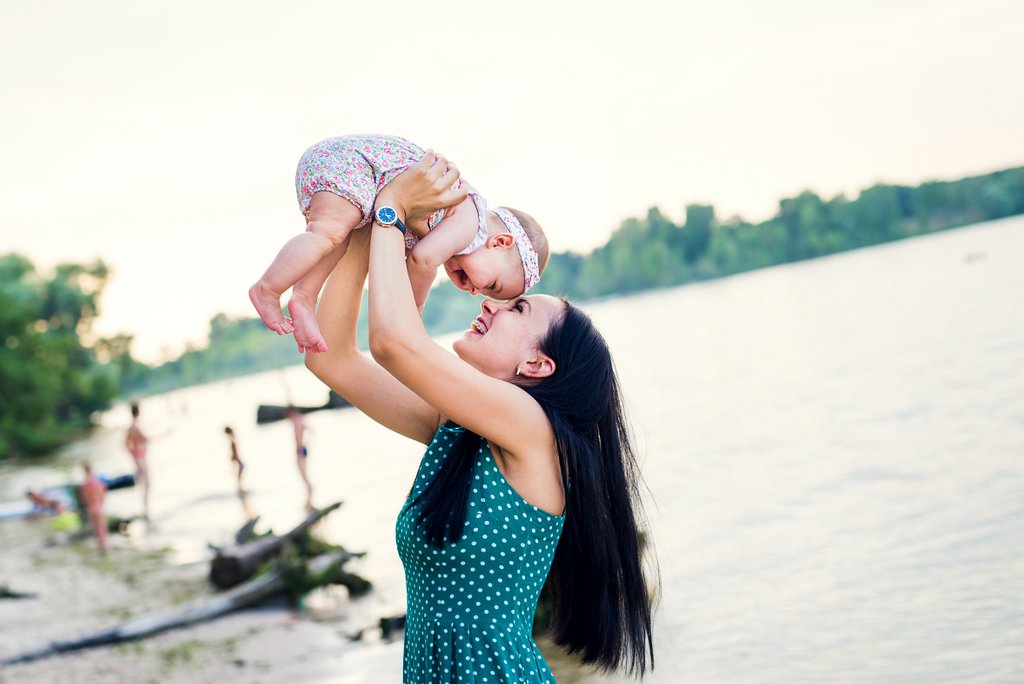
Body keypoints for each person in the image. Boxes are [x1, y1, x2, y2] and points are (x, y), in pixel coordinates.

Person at [305, 152, 654, 681]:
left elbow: (394, 343)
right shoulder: (457, 432)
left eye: (517, 309)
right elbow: (329, 356)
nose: (491, 303)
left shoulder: (532, 432)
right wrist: (361, 222)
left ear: (537, 364)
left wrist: (392, 210)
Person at [249, 134, 550, 354]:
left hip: (357, 176)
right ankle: (267, 288)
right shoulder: (469, 219)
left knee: (333, 241)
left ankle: (303, 297)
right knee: (327, 234)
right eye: (492, 285)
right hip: (354, 165)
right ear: (499, 242)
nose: (475, 291)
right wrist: (413, 315)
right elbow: (422, 261)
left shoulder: (449, 222)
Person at [284, 407, 314, 507]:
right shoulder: (301, 420)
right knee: (304, 472)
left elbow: (298, 437)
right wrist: (307, 443)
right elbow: (311, 431)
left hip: (300, 449)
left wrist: (301, 446)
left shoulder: (296, 421)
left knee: (303, 473)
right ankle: (309, 492)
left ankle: (309, 491)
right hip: (303, 448)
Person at [125, 402, 150, 520]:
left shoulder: (132, 426)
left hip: (139, 458)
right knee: (146, 484)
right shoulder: (135, 426)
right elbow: (145, 439)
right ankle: (145, 510)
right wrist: (136, 456)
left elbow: (126, 444)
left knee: (144, 484)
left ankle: (145, 509)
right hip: (141, 459)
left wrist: (133, 455)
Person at [79, 462, 108, 554]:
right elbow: (103, 495)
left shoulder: (84, 485)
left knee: (95, 527)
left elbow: (83, 500)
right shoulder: (99, 482)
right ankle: (104, 546)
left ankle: (99, 546)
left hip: (90, 508)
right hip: (99, 506)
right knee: (102, 527)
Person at [224, 426, 246, 494]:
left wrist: (234, 458)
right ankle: (240, 489)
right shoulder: (233, 439)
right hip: (238, 460)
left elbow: (234, 452)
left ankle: (240, 489)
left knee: (238, 476)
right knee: (238, 475)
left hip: (238, 460)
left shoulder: (232, 440)